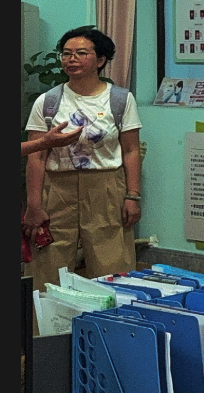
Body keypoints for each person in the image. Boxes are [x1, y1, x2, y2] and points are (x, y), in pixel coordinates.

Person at [22, 27, 143, 286]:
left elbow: (131, 150)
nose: (72, 59)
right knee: (48, 267)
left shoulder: (120, 100)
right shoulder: (47, 101)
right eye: (66, 54)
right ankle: (45, 315)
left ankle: (115, 312)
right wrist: (33, 206)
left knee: (113, 264)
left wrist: (133, 195)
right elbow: (36, 157)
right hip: (56, 188)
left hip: (106, 186)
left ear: (100, 60)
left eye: (81, 53)